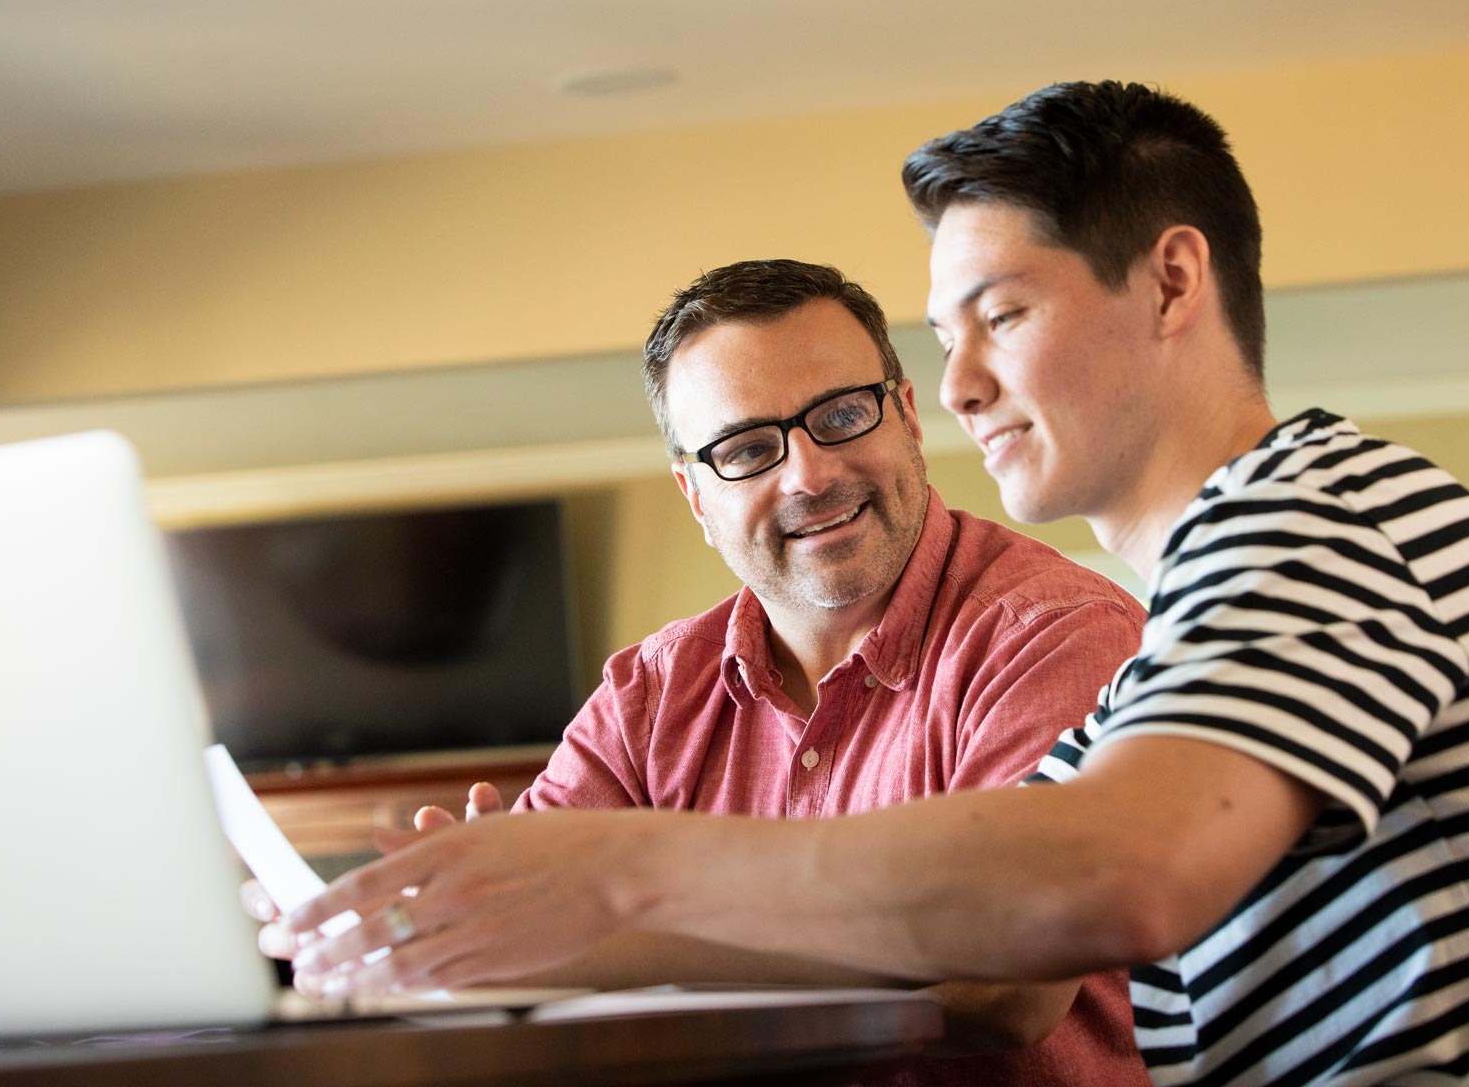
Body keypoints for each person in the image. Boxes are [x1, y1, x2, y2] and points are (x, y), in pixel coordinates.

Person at [290, 84, 1469, 1085]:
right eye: (947, 339)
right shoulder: (1196, 623)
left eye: (1002, 317)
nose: (961, 387)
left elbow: (1114, 876)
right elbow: (1003, 953)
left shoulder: (1320, 521)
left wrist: (621, 864)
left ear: (1171, 283)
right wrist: (504, 917)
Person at [256, 259, 1149, 1085]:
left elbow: (1004, 981)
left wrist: (606, 905)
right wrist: (443, 917)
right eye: (747, 449)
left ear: (907, 417)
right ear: (695, 493)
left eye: (842, 415)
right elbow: (520, 938)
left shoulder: (1057, 635)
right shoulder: (649, 694)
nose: (808, 473)